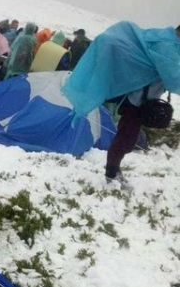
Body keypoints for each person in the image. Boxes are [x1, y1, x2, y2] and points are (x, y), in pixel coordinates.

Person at [61, 21, 180, 183]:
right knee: (126, 138)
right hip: (137, 101)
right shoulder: (167, 46)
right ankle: (111, 173)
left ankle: (113, 169)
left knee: (127, 137)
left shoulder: (162, 37)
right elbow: (174, 80)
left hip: (138, 97)